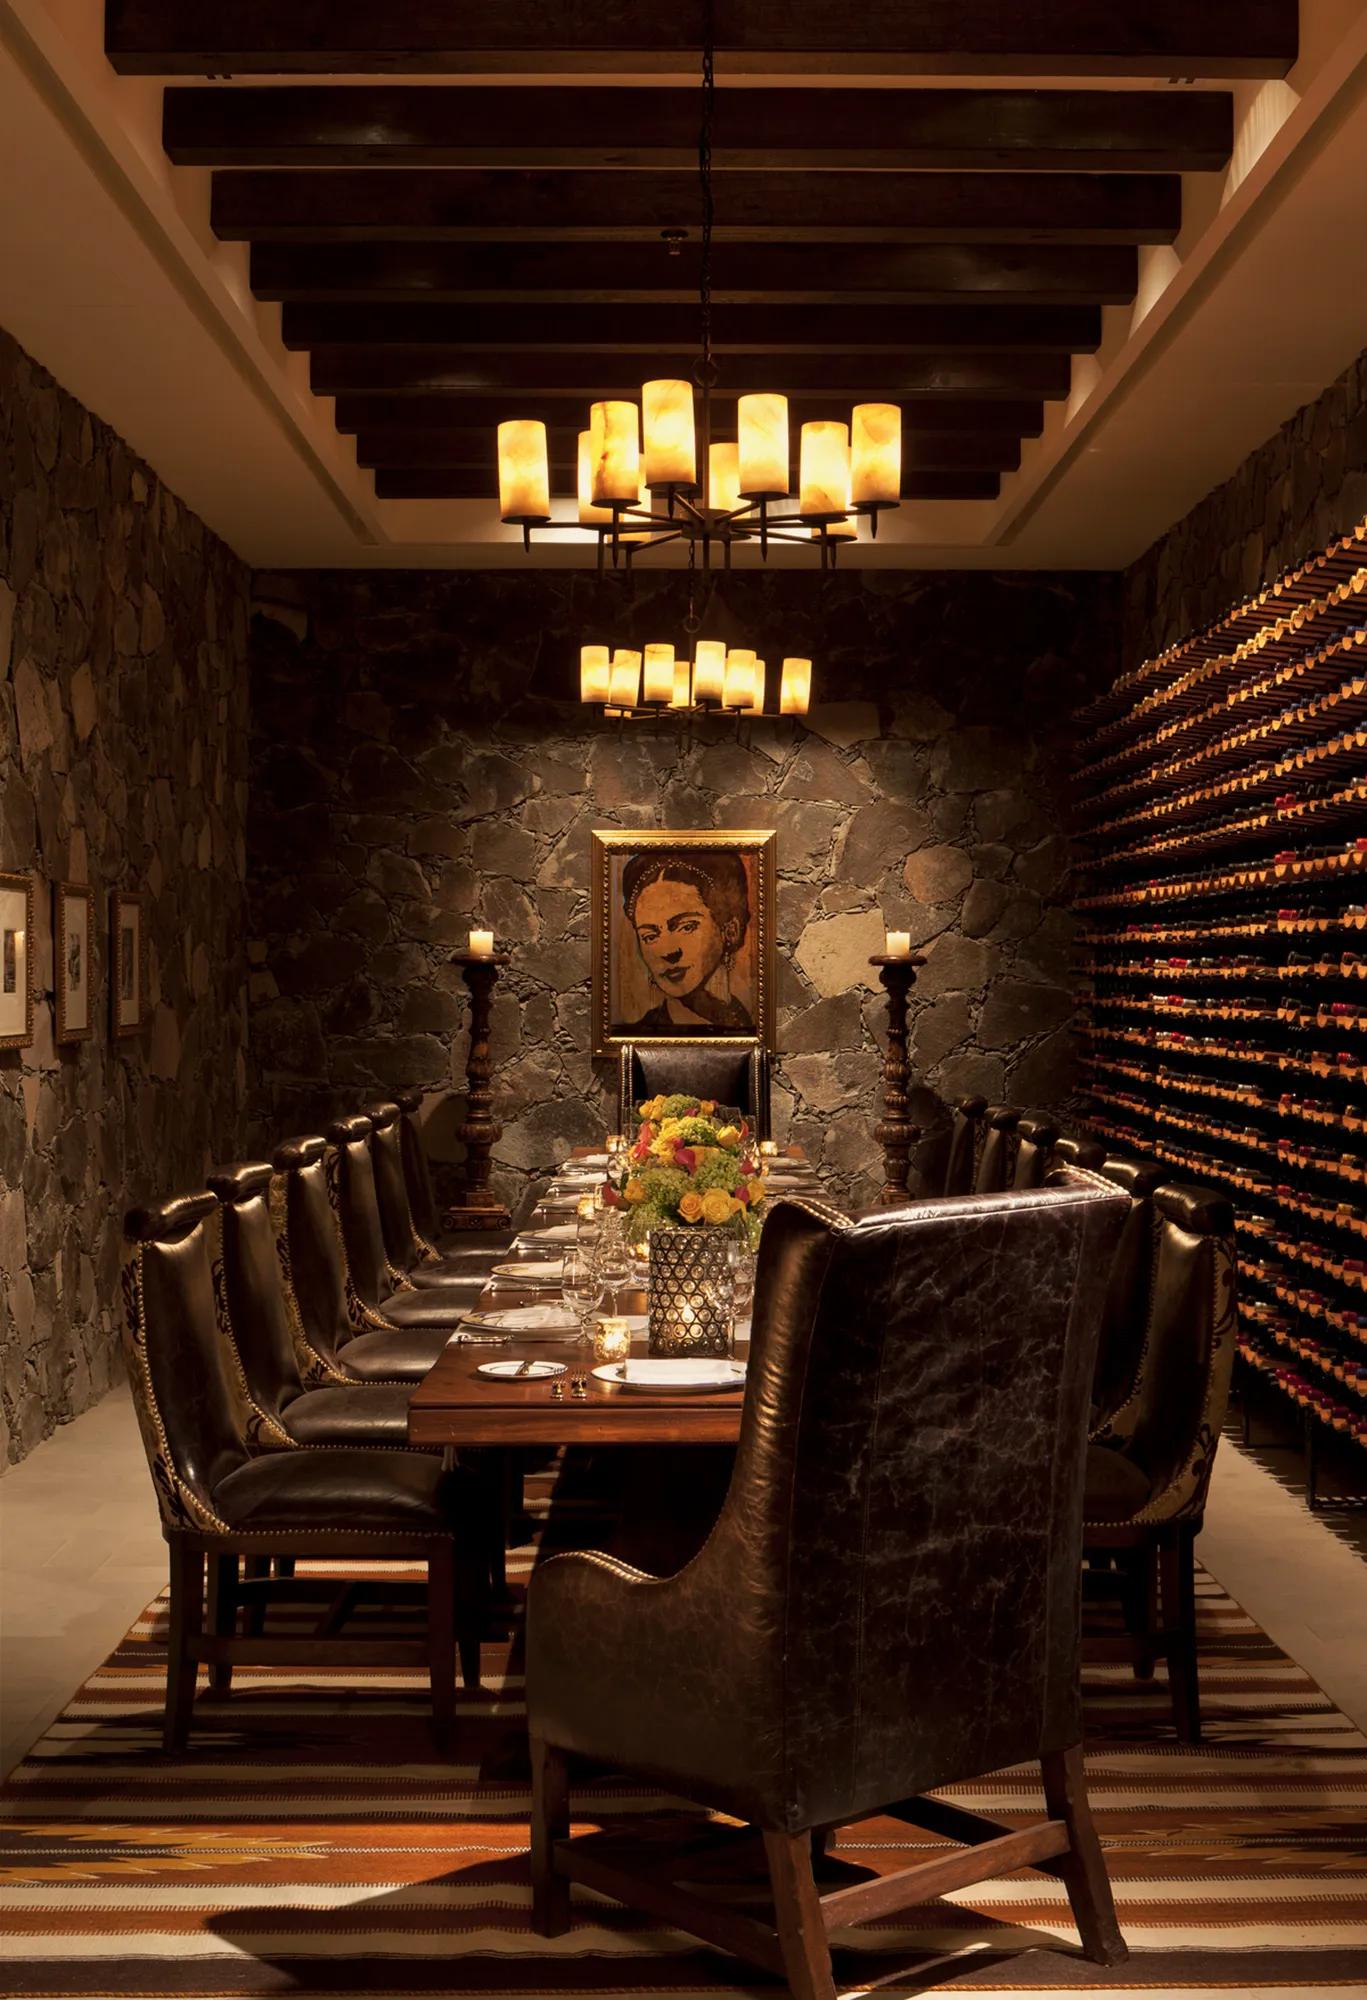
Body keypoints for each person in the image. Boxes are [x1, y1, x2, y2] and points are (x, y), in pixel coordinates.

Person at [618, 849, 755, 1033]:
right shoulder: (634, 1039)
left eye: (686, 927)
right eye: (650, 936)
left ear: (730, 930)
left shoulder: (750, 1027)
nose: (667, 952)